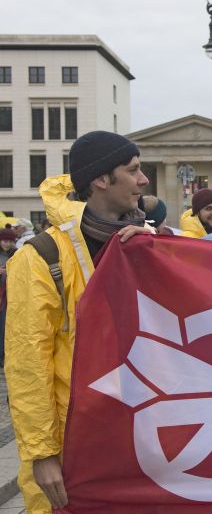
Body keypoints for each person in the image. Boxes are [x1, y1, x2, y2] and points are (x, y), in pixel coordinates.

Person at [5, 130, 153, 513]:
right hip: (76, 448)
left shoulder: (150, 243)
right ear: (101, 179)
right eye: (133, 170)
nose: (144, 180)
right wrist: (42, 455)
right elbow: (27, 364)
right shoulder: (40, 257)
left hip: (145, 439)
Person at [0, 227, 17, 367]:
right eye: (4, 241)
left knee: (6, 327)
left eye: (9, 241)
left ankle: (4, 356)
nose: (6, 244)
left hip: (10, 297)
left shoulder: (17, 254)